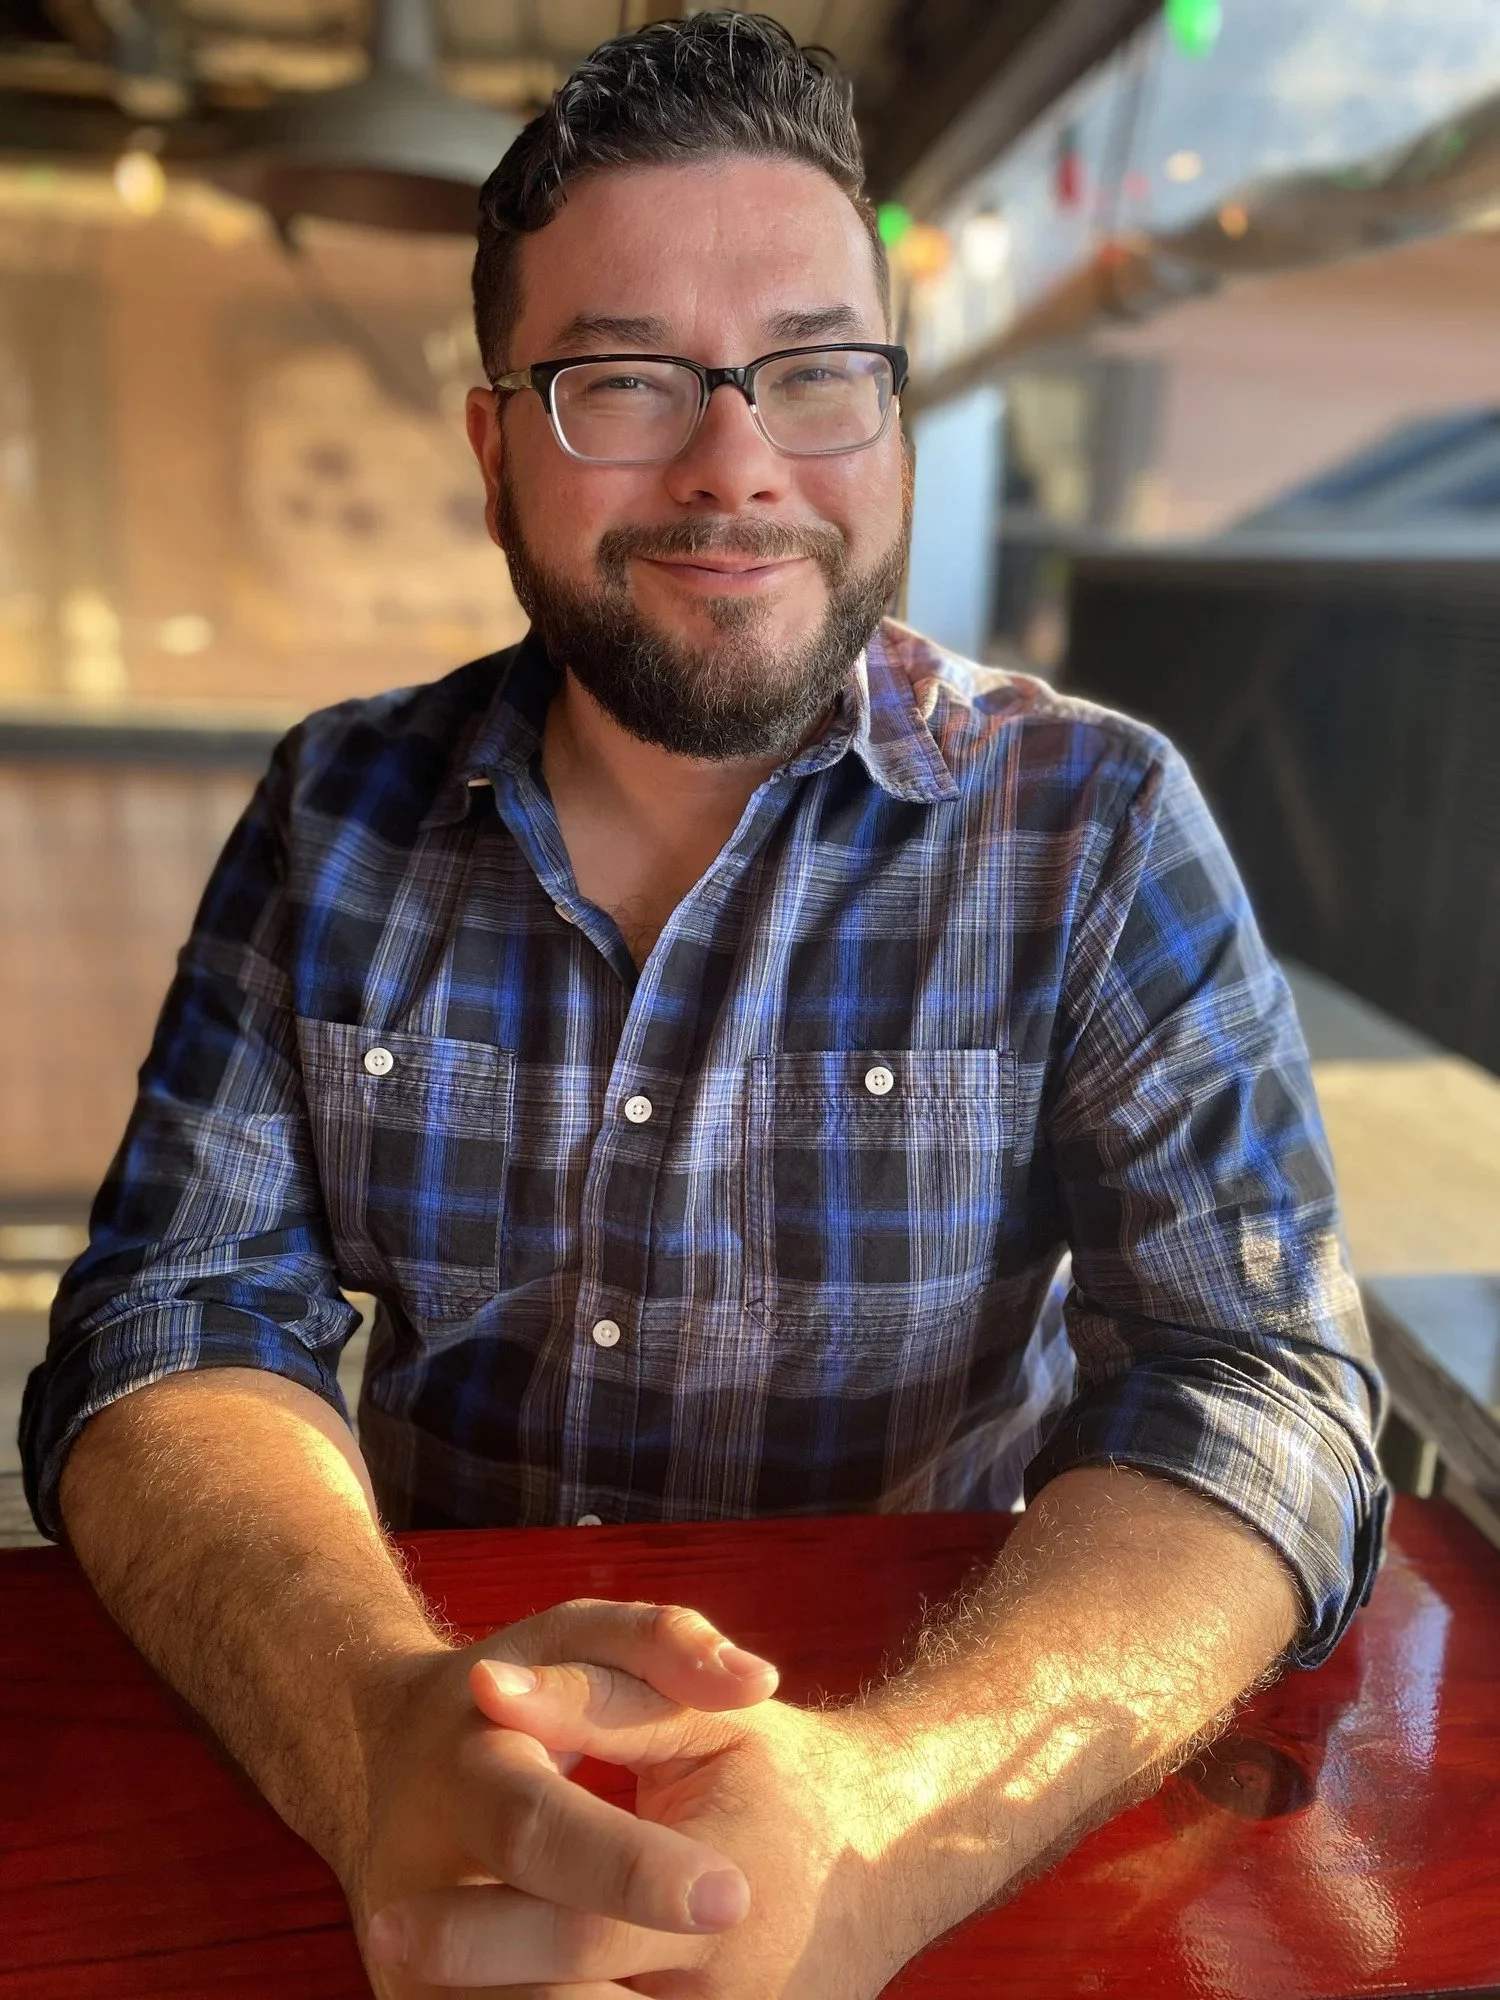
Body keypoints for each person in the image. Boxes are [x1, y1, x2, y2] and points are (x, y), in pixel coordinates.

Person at [21, 12, 1386, 1997]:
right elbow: (172, 1319)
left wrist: (884, 1825)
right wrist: (369, 1717)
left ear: (894, 417)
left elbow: (1258, 1384)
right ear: (496, 445)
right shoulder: (340, 806)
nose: (736, 463)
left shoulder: (1091, 820)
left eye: (817, 372)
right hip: (418, 1740)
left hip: (931, 1782)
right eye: (625, 380)